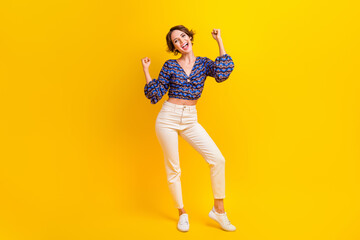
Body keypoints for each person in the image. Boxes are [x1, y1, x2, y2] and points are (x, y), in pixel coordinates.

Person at [141, 25, 236, 232]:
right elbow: (156, 94)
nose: (181, 41)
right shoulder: (170, 65)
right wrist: (147, 72)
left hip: (191, 120)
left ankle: (219, 211)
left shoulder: (203, 64)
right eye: (176, 40)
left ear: (190, 38)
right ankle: (182, 213)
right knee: (174, 168)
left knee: (217, 159)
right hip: (168, 118)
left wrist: (219, 41)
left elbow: (222, 73)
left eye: (183, 36)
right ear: (174, 46)